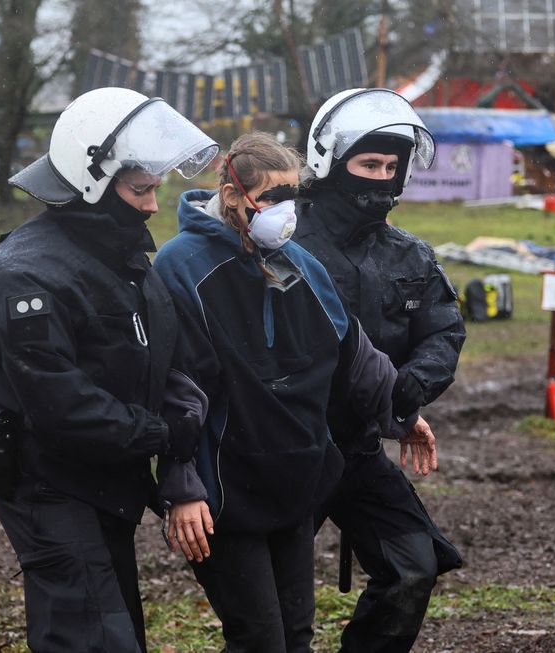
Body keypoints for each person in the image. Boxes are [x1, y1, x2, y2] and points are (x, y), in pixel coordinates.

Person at [0, 86, 219, 653]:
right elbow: (59, 401)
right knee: (93, 638)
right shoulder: (21, 275)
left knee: (118, 625)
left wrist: (178, 435)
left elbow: (170, 360)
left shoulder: (124, 262)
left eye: (155, 188)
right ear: (90, 183)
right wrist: (159, 434)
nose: (153, 205)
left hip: (109, 479)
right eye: (140, 189)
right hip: (48, 484)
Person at [153, 132, 407, 653]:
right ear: (233, 197)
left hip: (295, 482)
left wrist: (402, 413)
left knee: (295, 638)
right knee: (260, 641)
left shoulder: (296, 261)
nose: (286, 211)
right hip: (223, 491)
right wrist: (181, 483)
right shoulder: (181, 266)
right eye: (273, 198)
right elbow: (172, 386)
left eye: (294, 195)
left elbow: (351, 352)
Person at [295, 87, 466, 653]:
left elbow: (444, 329)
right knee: (277, 608)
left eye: (391, 167)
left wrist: (411, 389)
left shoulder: (410, 255)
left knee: (413, 565)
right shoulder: (280, 243)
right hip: (285, 450)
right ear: (330, 163)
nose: (381, 178)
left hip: (360, 448)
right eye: (368, 164)